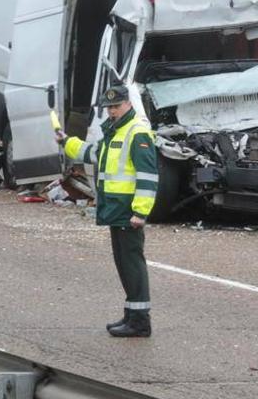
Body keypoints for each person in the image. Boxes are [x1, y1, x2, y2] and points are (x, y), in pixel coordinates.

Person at [56, 84, 157, 338]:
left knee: (132, 263)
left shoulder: (137, 132)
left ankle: (140, 321)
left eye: (116, 106)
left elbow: (148, 176)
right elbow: (93, 153)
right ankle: (132, 313)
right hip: (115, 207)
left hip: (127, 209)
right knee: (123, 262)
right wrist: (67, 142)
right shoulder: (116, 131)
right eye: (109, 107)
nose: (112, 111)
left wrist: (140, 212)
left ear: (128, 104)